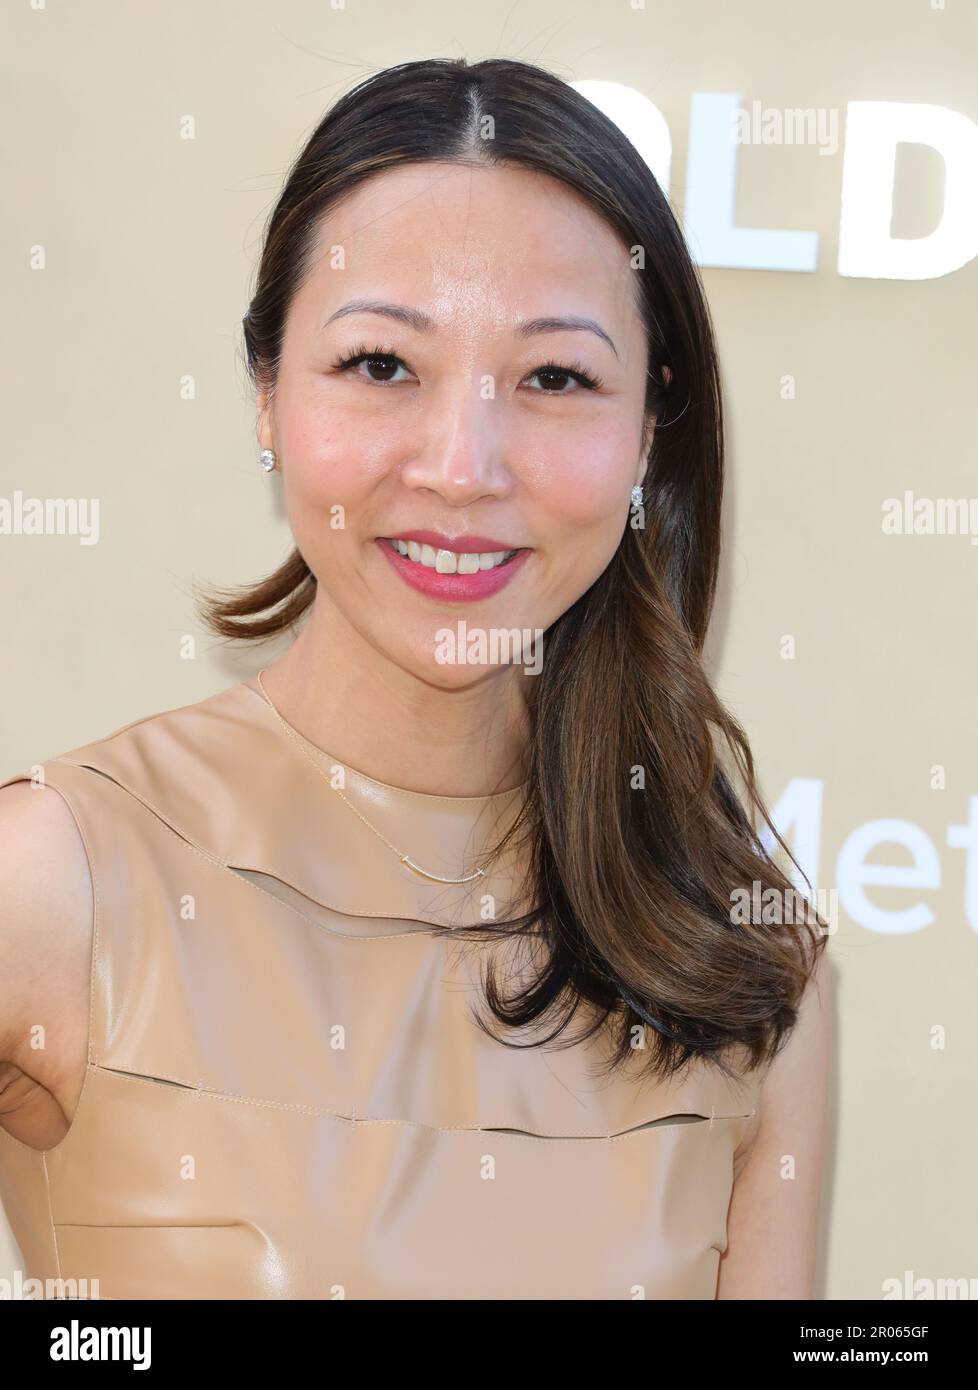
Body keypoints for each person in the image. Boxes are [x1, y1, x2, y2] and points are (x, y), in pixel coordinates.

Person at [0, 56, 831, 1300]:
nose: (462, 464)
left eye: (555, 378)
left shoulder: (743, 962)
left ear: (649, 431)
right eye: (384, 364)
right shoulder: (54, 882)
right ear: (268, 393)